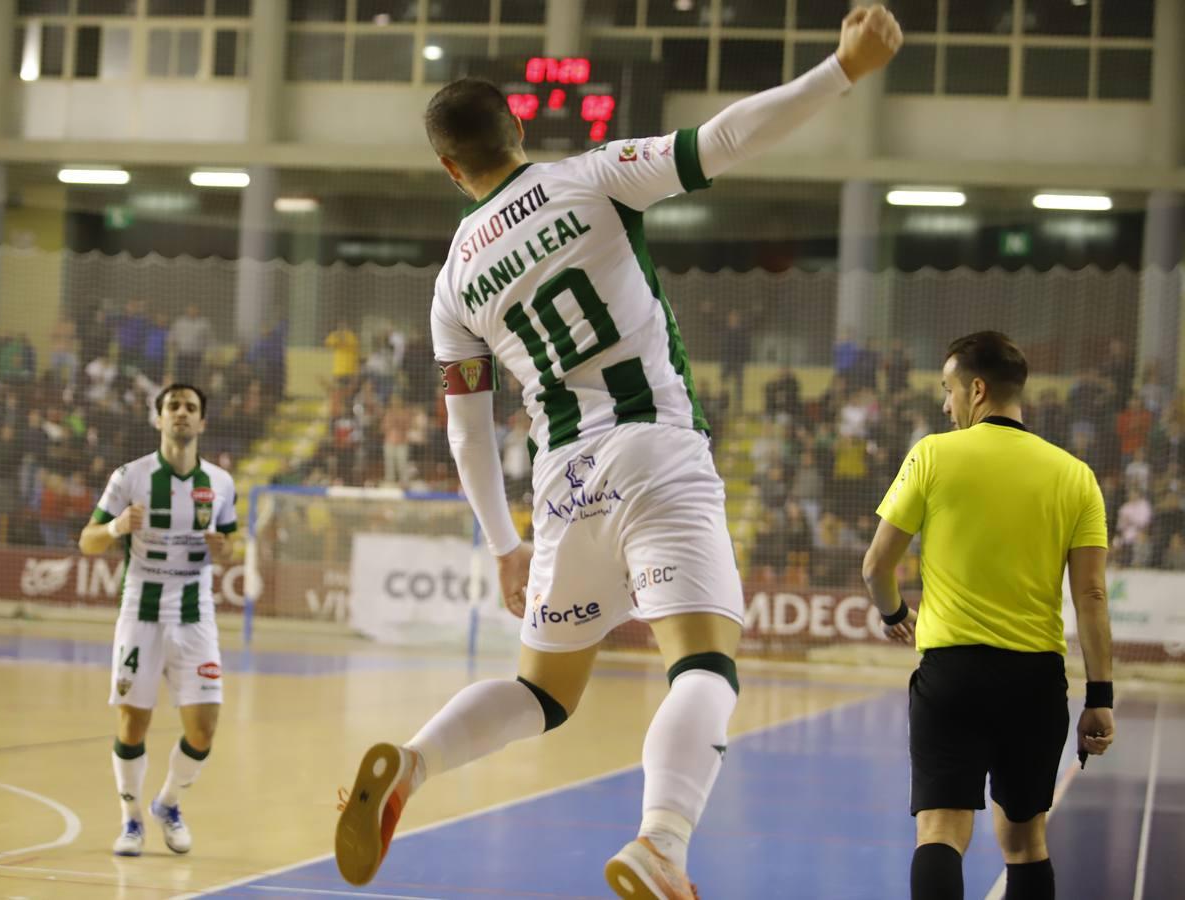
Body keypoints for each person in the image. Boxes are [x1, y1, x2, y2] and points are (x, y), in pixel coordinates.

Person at [333, 6, 901, 897]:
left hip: (561, 481)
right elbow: (723, 138)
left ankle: (413, 762)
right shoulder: (588, 177)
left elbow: (467, 428)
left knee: (544, 693)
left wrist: (504, 543)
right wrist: (840, 68)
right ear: (517, 127)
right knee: (704, 667)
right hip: (655, 449)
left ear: (450, 168)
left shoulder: (452, 284)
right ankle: (661, 841)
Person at [862, 332, 1115, 900]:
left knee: (940, 830)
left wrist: (895, 613)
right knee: (1025, 841)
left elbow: (877, 566)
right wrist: (1101, 695)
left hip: (952, 676)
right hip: (1034, 682)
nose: (945, 405)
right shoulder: (1076, 476)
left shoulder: (932, 455)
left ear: (976, 389)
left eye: (948, 391)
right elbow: (1092, 596)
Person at [78, 383, 237, 858]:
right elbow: (87, 540)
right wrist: (114, 527)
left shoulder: (222, 483)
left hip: (195, 616)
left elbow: (232, 544)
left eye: (191, 408)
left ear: (202, 422)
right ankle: (130, 821)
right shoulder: (129, 477)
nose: (182, 414)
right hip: (140, 614)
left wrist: (225, 549)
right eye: (173, 407)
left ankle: (167, 804)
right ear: (159, 419)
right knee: (132, 726)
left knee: (203, 730)